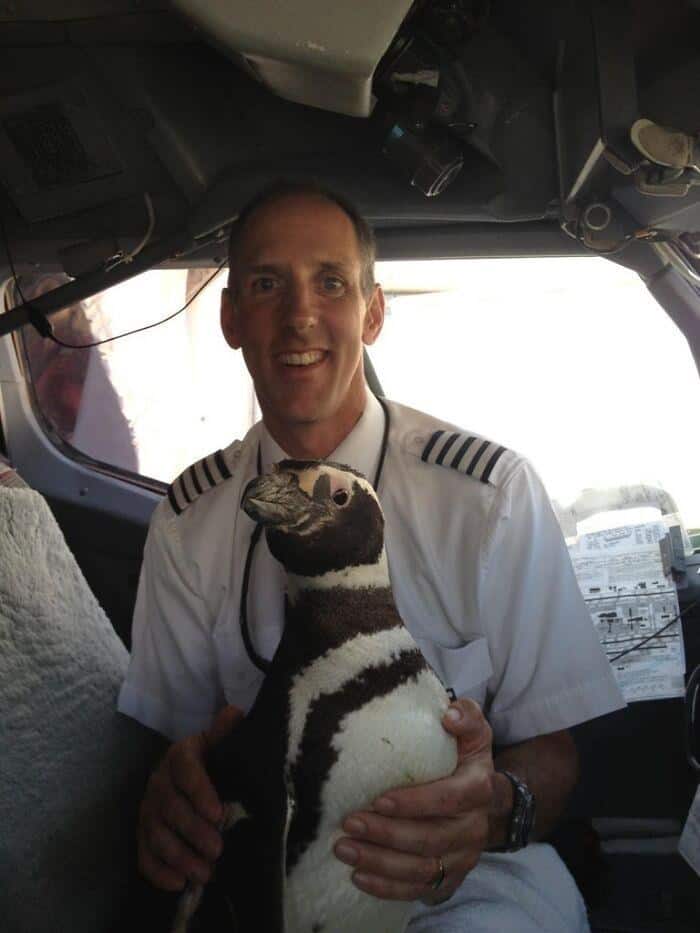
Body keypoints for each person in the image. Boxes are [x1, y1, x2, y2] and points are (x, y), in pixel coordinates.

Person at [118, 180, 625, 932]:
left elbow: (553, 749)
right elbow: (176, 747)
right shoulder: (189, 522)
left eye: (331, 282)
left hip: (466, 882)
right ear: (230, 318)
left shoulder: (488, 497)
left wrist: (489, 810)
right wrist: (171, 795)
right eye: (266, 284)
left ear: (373, 310)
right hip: (272, 876)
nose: (300, 316)